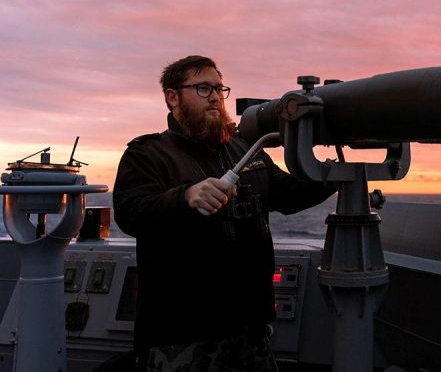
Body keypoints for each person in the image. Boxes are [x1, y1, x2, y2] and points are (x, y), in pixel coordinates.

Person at [113, 55, 335, 371]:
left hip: (250, 330)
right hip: (181, 335)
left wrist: (332, 173)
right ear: (172, 97)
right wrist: (185, 197)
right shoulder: (147, 155)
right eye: (203, 88)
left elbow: (288, 195)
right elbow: (131, 212)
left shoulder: (244, 149)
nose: (216, 96)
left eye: (219, 88)